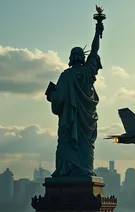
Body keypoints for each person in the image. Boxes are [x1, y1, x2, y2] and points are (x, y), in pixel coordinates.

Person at [47, 22, 104, 177]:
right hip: (86, 122)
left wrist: (51, 96)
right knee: (85, 146)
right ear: (83, 58)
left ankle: (64, 170)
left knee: (66, 145)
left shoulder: (66, 76)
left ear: (71, 58)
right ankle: (84, 170)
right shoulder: (88, 72)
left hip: (69, 120)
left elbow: (58, 100)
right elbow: (94, 50)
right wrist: (97, 31)